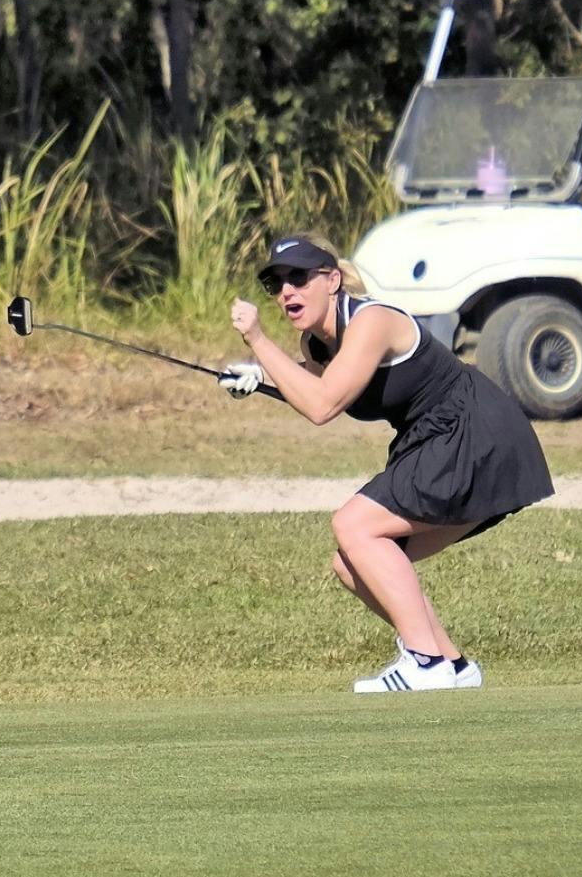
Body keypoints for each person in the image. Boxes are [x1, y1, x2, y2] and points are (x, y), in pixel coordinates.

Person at [225, 233, 555, 692]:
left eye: (298, 277)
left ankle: (424, 660)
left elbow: (322, 406)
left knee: (355, 526)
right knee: (352, 562)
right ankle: (453, 665)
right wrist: (259, 378)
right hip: (429, 443)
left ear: (333, 279)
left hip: (474, 433)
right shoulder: (317, 343)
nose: (286, 292)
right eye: (276, 282)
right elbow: (315, 383)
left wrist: (258, 341)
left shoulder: (371, 321)